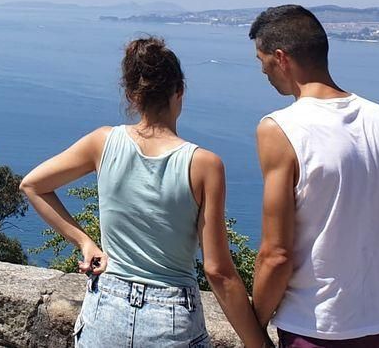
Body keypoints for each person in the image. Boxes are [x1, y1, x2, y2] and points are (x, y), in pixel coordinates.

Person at [21, 37, 270, 347]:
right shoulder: (204, 165)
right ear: (179, 91)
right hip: (172, 318)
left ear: (131, 95)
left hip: (105, 312)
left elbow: (32, 185)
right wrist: (258, 342)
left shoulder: (103, 142)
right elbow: (218, 271)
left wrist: (85, 242)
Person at [248, 5, 379, 347]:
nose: (265, 74)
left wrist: (253, 328)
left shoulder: (281, 129)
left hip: (314, 326)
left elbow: (276, 254)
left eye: (263, 64)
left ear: (281, 58)